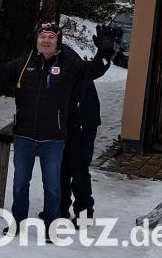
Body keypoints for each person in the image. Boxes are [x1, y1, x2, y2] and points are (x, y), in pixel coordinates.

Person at [0, 22, 115, 235]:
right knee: (20, 184)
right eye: (42, 36)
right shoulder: (24, 62)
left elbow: (94, 70)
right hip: (24, 136)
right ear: (35, 40)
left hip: (57, 136)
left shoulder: (69, 64)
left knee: (55, 184)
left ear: (58, 41)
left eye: (51, 36)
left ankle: (55, 223)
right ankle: (17, 222)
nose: (46, 40)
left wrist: (104, 51)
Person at [59, 44, 101, 224]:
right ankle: (60, 208)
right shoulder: (48, 56)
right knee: (60, 167)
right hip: (65, 121)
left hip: (83, 120)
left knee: (78, 168)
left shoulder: (68, 59)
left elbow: (77, 94)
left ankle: (84, 212)